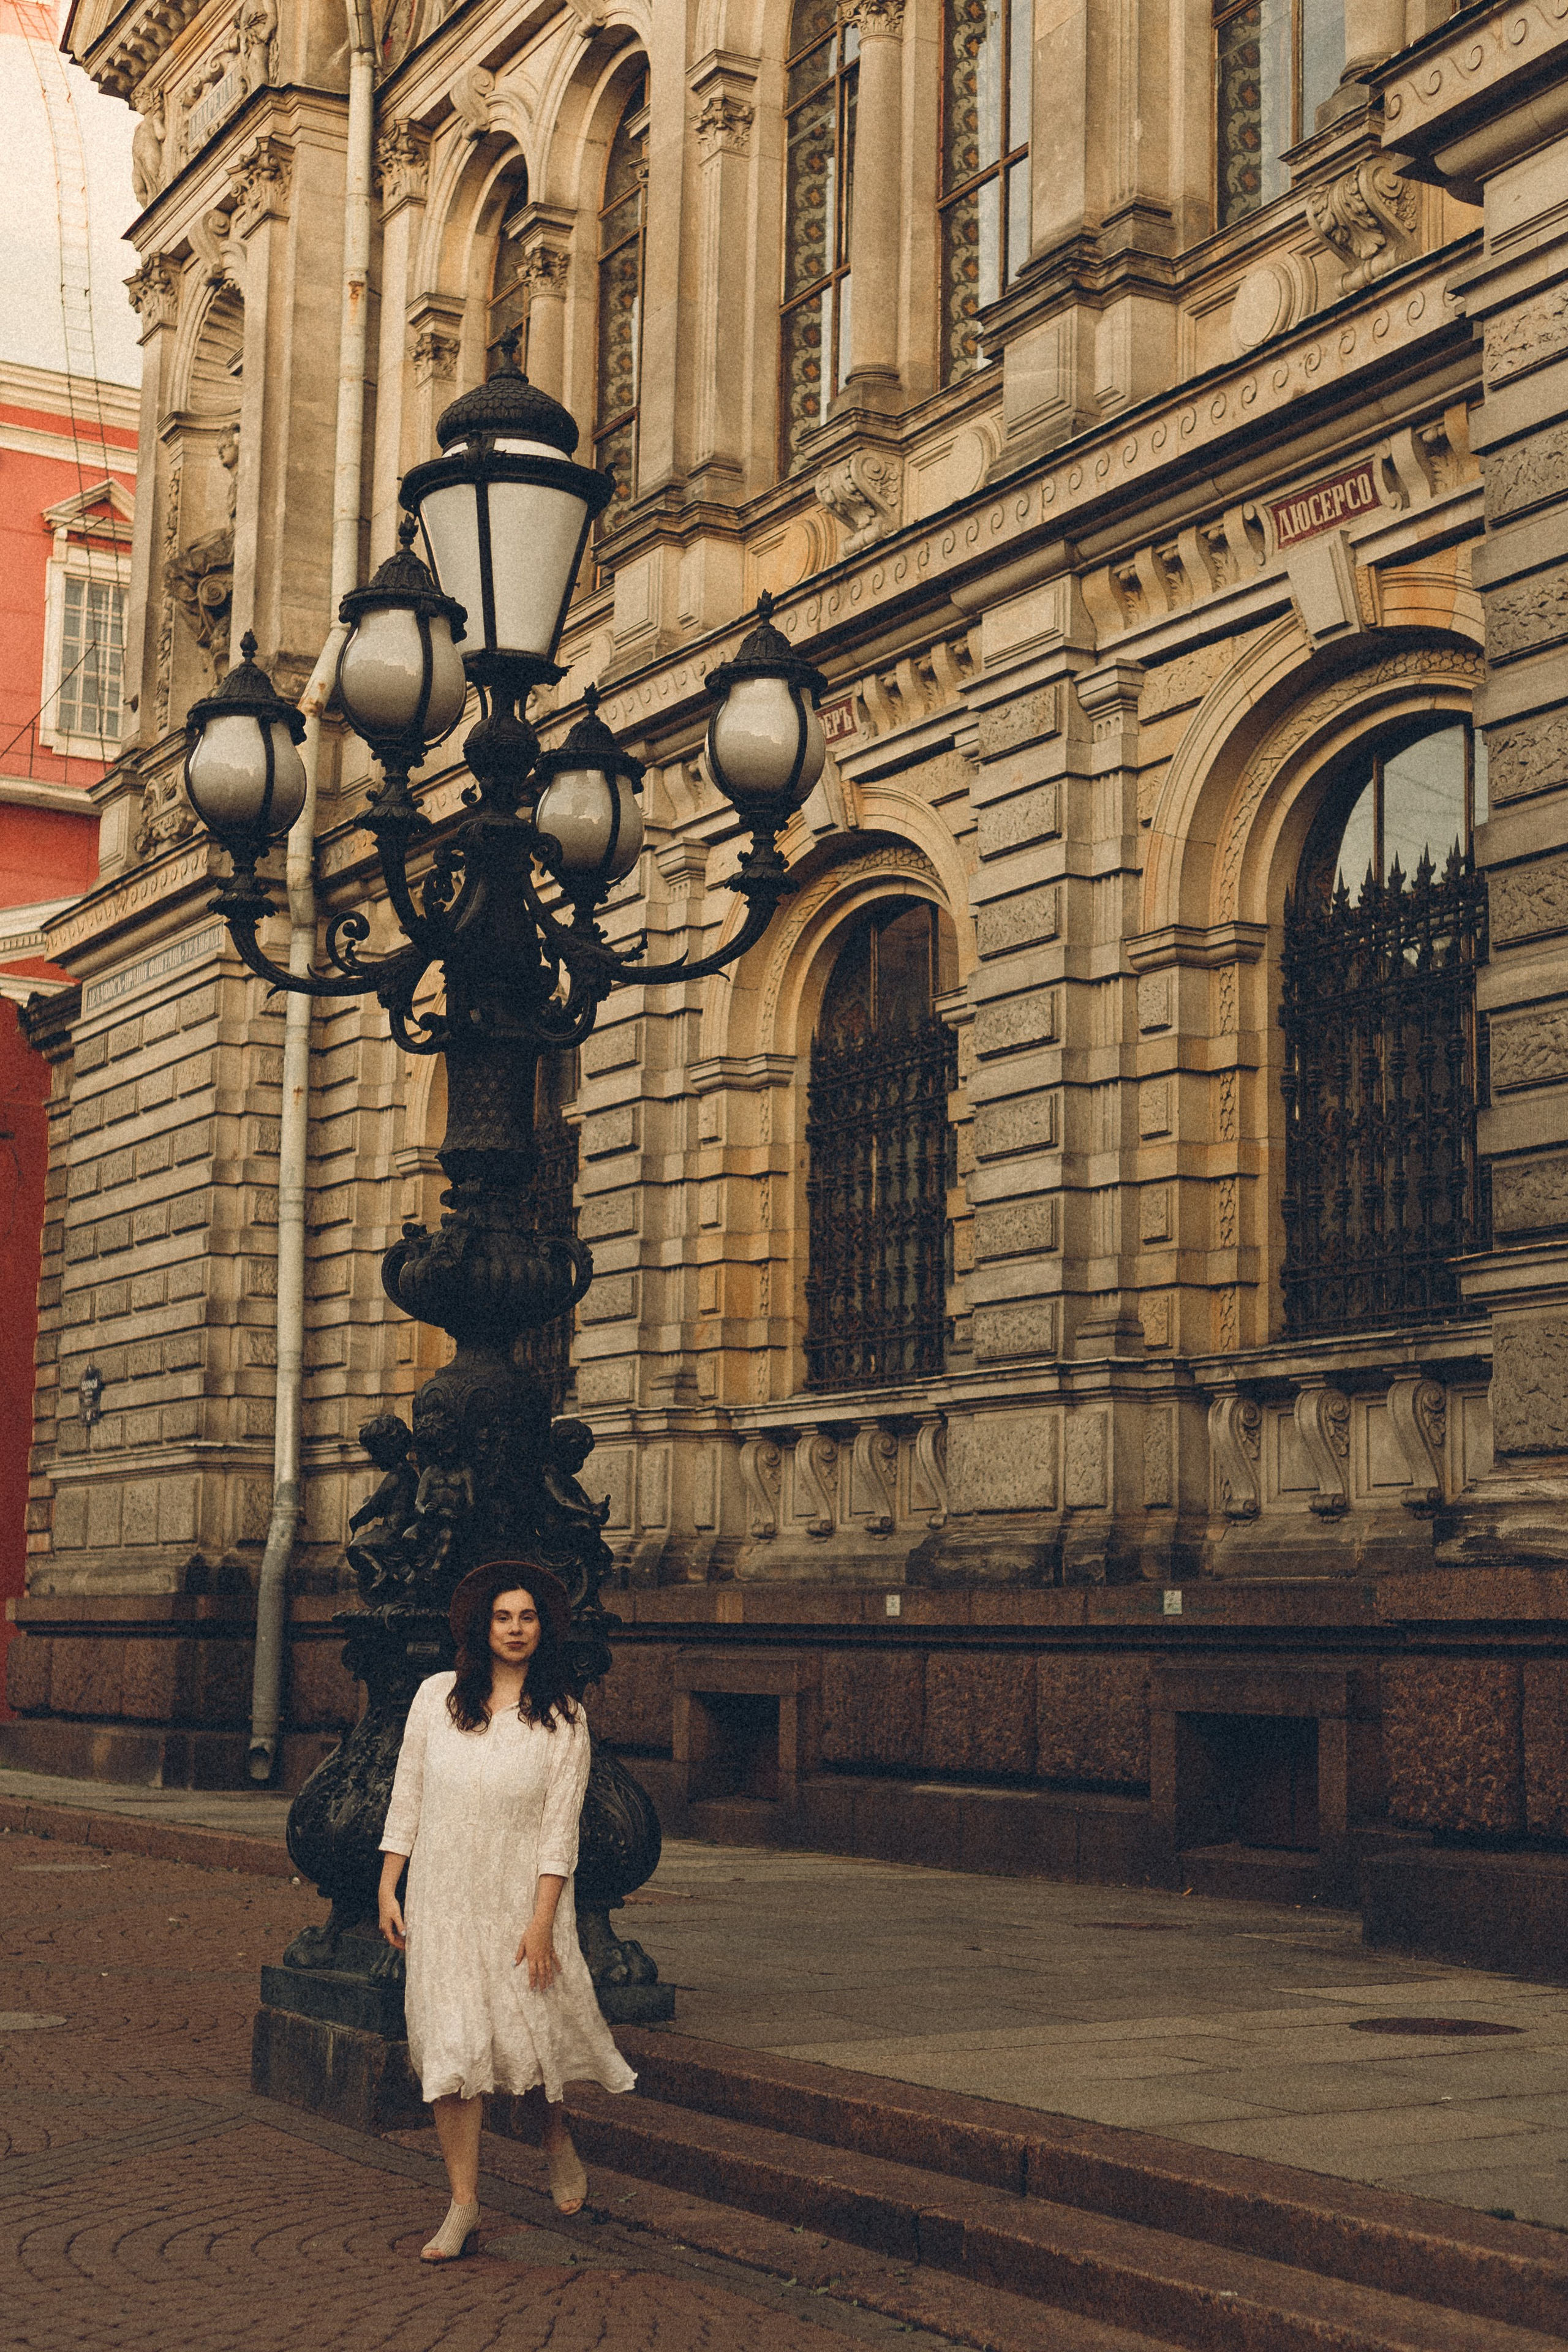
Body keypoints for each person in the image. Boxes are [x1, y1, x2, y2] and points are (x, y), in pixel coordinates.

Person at [377, 1557, 635, 2262]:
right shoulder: (435, 1698)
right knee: (455, 2048)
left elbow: (559, 1833)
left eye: (526, 1617)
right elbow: (408, 1792)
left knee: (524, 2038)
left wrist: (542, 1922)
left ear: (542, 1628)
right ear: (481, 1627)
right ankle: (463, 2205)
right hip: (443, 1899)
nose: (515, 1629)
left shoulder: (564, 1719)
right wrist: (388, 1884)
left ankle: (553, 2134)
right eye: (502, 1617)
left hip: (519, 1903)